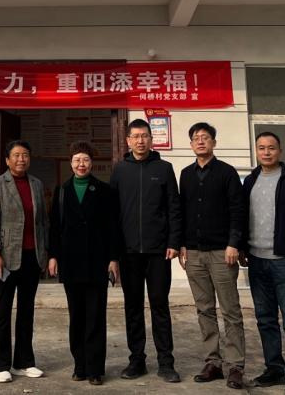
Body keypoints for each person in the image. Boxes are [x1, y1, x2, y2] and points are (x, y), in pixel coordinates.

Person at [240, 132, 285, 394]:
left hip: (284, 261)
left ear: (280, 151)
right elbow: (242, 216)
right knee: (265, 319)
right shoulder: (250, 181)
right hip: (256, 261)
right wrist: (242, 247)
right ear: (256, 151)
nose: (266, 152)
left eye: (271, 148)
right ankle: (274, 369)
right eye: (261, 148)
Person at [111, 118, 182, 383]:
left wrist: (173, 242)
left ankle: (166, 362)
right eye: (136, 136)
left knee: (159, 305)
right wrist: (114, 253)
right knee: (133, 307)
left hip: (158, 252)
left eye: (145, 136)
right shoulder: (120, 171)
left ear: (152, 140)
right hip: (128, 253)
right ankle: (136, 360)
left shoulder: (164, 169)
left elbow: (174, 208)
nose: (140, 141)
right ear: (128, 141)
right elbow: (113, 214)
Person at [177, 122, 248, 389]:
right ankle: (213, 362)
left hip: (222, 252)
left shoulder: (227, 173)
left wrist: (234, 244)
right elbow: (182, 211)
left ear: (214, 143)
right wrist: (182, 244)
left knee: (230, 310)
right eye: (196, 138)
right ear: (191, 144)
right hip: (194, 253)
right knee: (204, 309)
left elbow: (238, 210)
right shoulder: (186, 174)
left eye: (205, 137)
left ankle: (236, 365)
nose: (200, 141)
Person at [47, 142, 123, 386]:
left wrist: (113, 259)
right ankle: (79, 366)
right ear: (71, 163)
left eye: (86, 160)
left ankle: (95, 369)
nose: (81, 164)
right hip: (70, 263)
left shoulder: (104, 190)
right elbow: (55, 227)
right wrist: (53, 256)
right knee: (76, 316)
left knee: (95, 317)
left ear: (92, 163)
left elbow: (113, 227)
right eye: (77, 160)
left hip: (97, 263)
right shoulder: (62, 191)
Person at [0, 140, 49, 383]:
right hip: (6, 257)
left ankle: (23, 362)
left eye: (25, 155)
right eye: (16, 155)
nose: (21, 159)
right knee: (3, 309)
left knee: (26, 310)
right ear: (7, 160)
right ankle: (0, 365)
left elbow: (43, 221)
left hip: (32, 256)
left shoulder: (36, 184)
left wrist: (46, 252)